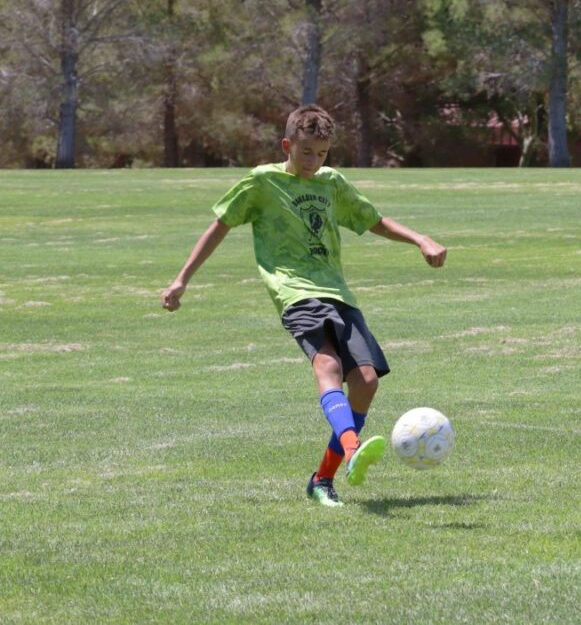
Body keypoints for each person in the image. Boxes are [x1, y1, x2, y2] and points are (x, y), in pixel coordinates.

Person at [160, 104, 447, 506]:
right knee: (327, 365)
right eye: (306, 151)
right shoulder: (263, 182)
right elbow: (220, 226)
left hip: (338, 292)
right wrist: (181, 280)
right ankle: (351, 448)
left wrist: (421, 239)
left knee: (365, 382)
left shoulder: (332, 183)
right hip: (294, 291)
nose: (314, 161)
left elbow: (372, 220)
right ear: (287, 144)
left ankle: (321, 480)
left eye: (322, 153)